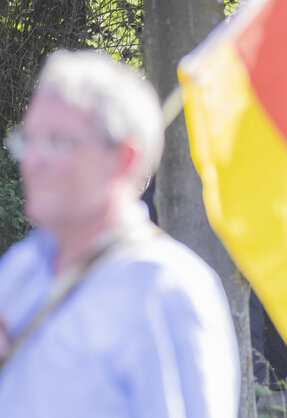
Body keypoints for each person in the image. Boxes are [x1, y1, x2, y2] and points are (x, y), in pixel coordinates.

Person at [0, 50, 239, 416]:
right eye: (29, 141)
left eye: (58, 142)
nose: (32, 162)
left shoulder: (165, 288)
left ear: (124, 158)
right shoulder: (21, 268)